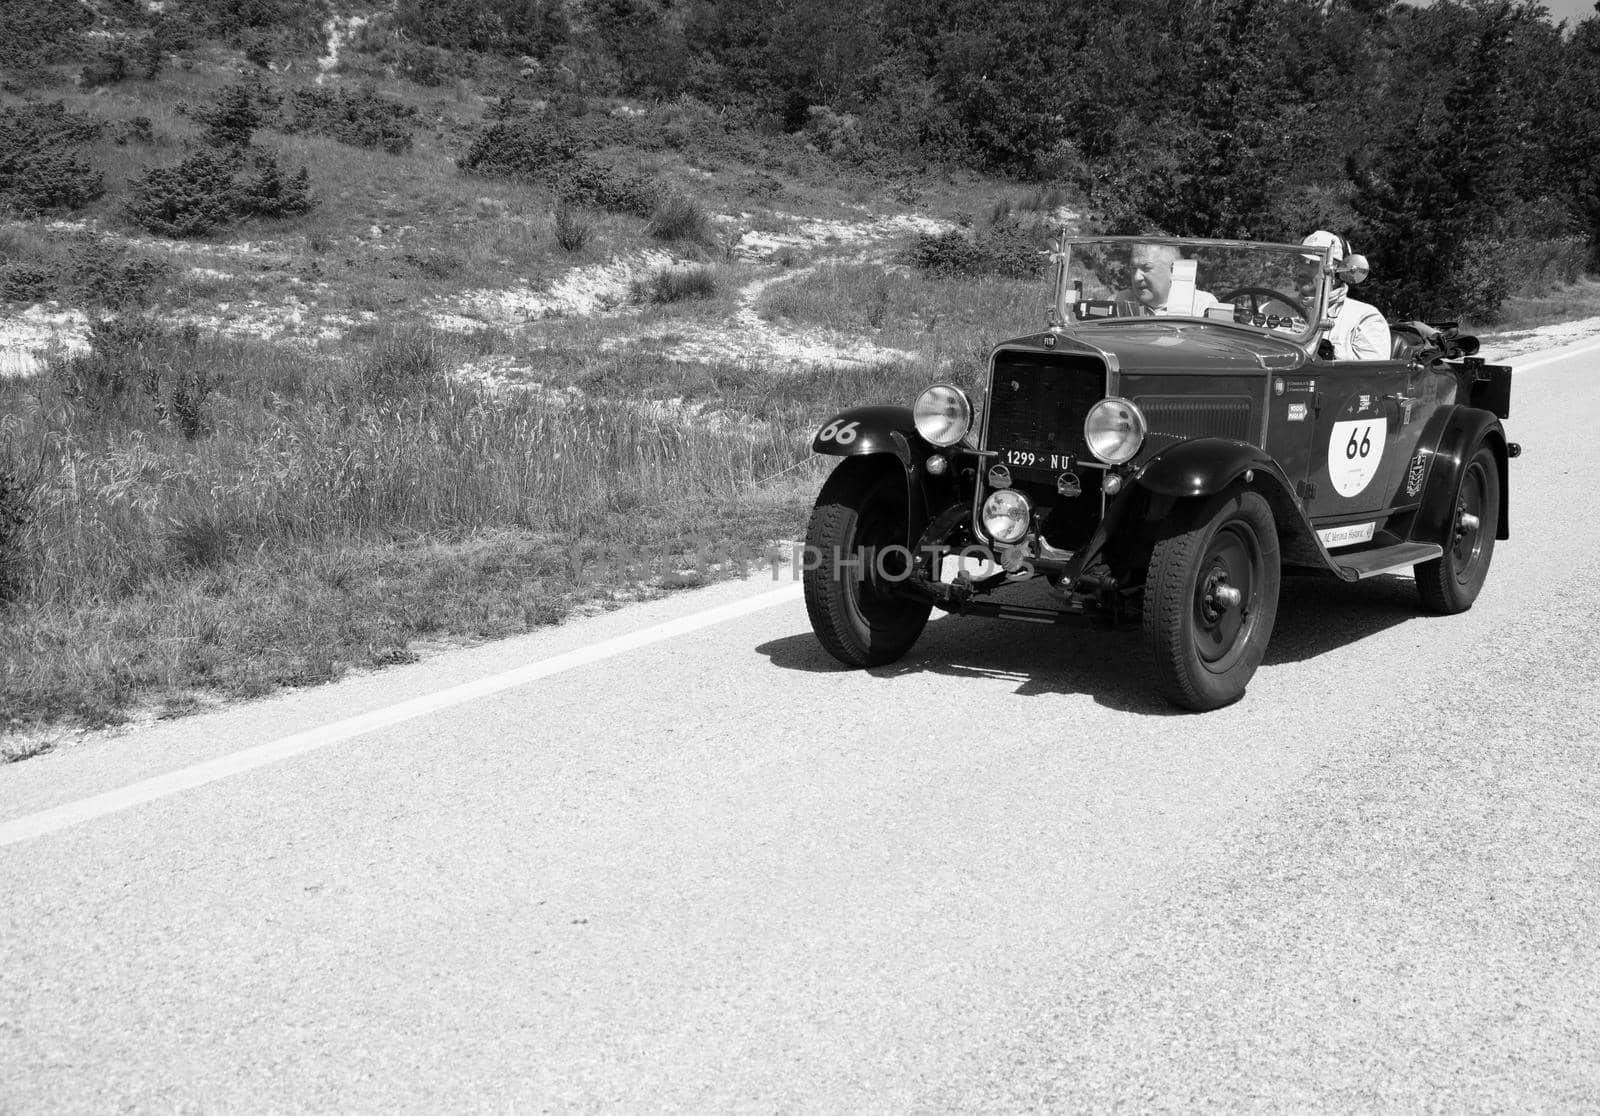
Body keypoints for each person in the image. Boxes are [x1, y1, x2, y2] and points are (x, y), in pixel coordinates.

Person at [1300, 230, 1391, 360]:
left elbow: (1373, 375)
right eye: (1301, 261)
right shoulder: (1270, 309)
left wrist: (1331, 356)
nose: (1302, 270)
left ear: (1339, 271)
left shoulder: (1364, 318)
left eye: (1314, 264)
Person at [1119, 243, 1221, 318]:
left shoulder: (1201, 305)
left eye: (1146, 268)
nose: (1137, 277)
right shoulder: (1119, 302)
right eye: (1133, 268)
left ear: (1173, 270)